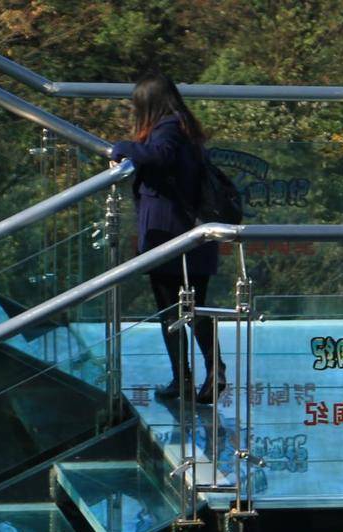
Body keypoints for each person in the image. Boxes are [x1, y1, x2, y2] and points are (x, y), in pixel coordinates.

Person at [108, 71, 224, 404]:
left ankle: (183, 378)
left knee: (170, 309)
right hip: (192, 234)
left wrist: (122, 148)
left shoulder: (167, 129)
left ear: (149, 104)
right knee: (196, 306)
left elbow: (158, 156)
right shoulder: (186, 128)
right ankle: (213, 371)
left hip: (169, 236)